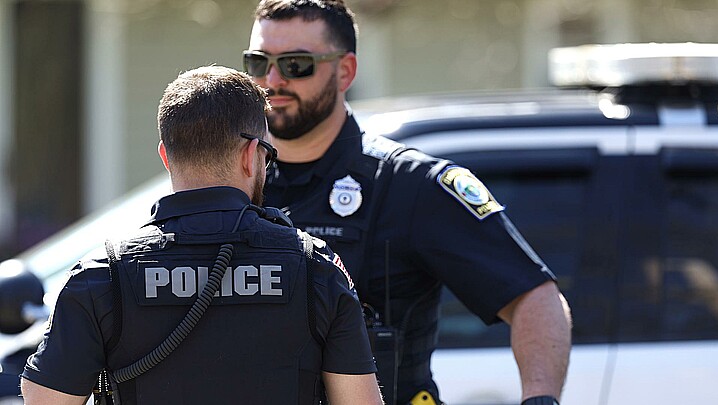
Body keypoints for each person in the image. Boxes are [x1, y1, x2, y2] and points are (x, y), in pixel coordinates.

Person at [243, 1, 573, 404]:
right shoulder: (236, 181)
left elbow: (534, 298)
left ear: (344, 71)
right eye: (258, 63)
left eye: (296, 64)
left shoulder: (410, 185)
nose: (272, 80)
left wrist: (540, 398)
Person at [19, 66, 384, 405]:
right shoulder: (316, 268)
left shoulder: (100, 276)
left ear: (166, 156)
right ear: (251, 154)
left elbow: (45, 398)